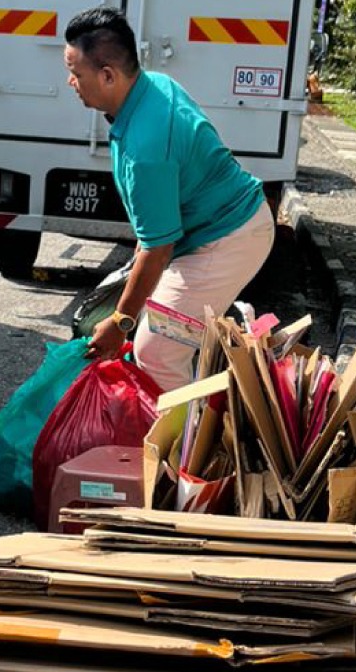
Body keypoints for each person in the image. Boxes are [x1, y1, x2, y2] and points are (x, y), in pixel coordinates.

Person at [63, 6, 275, 391]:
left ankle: (181, 450)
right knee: (151, 334)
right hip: (217, 230)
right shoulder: (154, 86)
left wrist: (121, 322)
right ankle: (179, 429)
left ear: (108, 75)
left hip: (226, 241)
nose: (70, 82)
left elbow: (158, 248)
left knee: (155, 351)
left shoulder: (147, 148)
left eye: (76, 74)